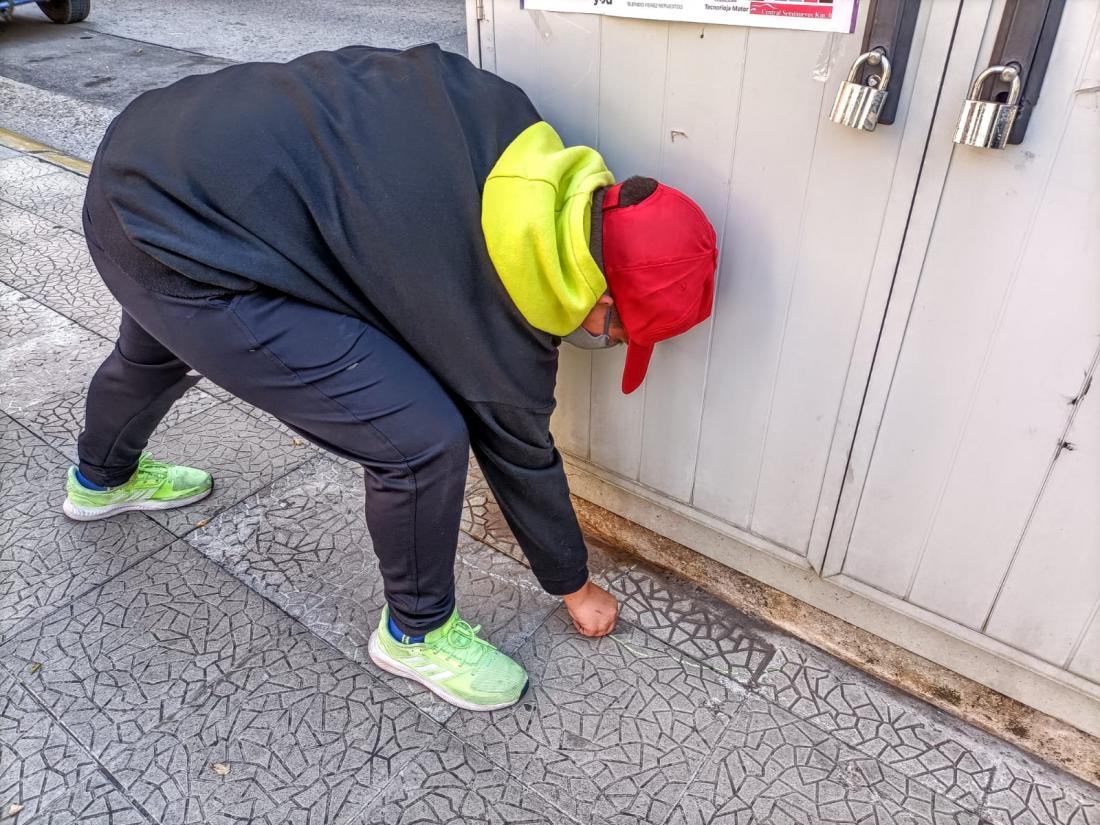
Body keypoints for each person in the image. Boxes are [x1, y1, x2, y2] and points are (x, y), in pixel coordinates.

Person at [67, 43, 718, 712]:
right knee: (419, 440)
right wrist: (576, 586)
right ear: (600, 299)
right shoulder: (490, 313)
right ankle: (416, 632)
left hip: (150, 159)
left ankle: (100, 479)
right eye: (616, 335)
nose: (604, 343)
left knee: (160, 341)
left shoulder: (505, 117)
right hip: (182, 238)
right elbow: (519, 452)